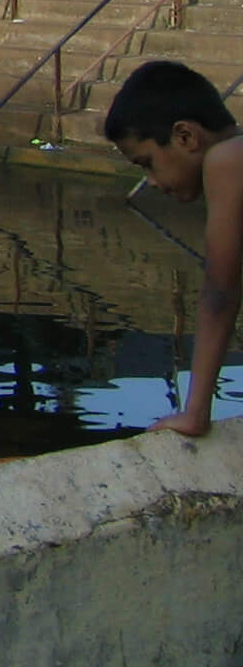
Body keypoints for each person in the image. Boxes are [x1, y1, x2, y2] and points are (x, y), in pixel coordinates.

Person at [107, 59, 243, 435]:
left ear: (185, 136)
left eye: (147, 163)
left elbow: (221, 291)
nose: (150, 181)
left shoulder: (228, 160)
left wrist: (195, 414)